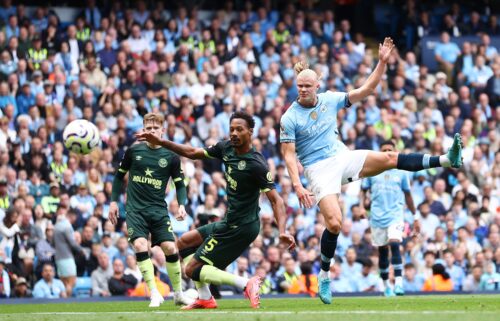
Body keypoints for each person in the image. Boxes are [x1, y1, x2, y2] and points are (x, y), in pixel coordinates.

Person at [279, 37, 463, 305]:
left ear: (318, 85)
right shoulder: (289, 117)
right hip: (318, 169)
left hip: (341, 157)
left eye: (308, 85)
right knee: (335, 223)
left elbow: (366, 89)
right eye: (299, 86)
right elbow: (288, 154)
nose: (303, 89)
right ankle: (325, 274)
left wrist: (381, 63)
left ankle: (447, 159)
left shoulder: (330, 99)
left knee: (390, 157)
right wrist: (296, 184)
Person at [136, 111, 296, 309]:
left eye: (239, 129)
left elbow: (277, 200)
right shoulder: (226, 147)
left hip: (243, 226)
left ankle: (246, 283)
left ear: (250, 132)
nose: (234, 133)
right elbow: (192, 153)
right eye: (231, 129)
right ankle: (205, 298)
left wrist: (282, 231)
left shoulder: (256, 164)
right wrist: (162, 142)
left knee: (191, 270)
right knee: (184, 242)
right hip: (230, 221)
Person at [108, 113, 193, 308]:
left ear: (162, 130)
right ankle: (154, 293)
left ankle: (178, 294)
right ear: (144, 130)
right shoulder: (134, 151)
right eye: (148, 128)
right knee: (139, 245)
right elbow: (118, 177)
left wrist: (181, 204)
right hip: (135, 210)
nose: (152, 131)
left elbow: (180, 184)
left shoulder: (171, 156)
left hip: (158, 210)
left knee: (171, 248)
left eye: (155, 128)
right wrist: (113, 202)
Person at [361, 140, 419, 297]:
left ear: (395, 151)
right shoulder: (372, 170)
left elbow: (408, 195)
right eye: (384, 149)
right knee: (382, 251)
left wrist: (415, 216)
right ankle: (386, 286)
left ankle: (399, 283)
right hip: (377, 216)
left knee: (394, 243)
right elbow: (363, 190)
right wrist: (361, 207)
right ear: (379, 152)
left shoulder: (401, 172)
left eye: (389, 149)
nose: (387, 151)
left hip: (395, 215)